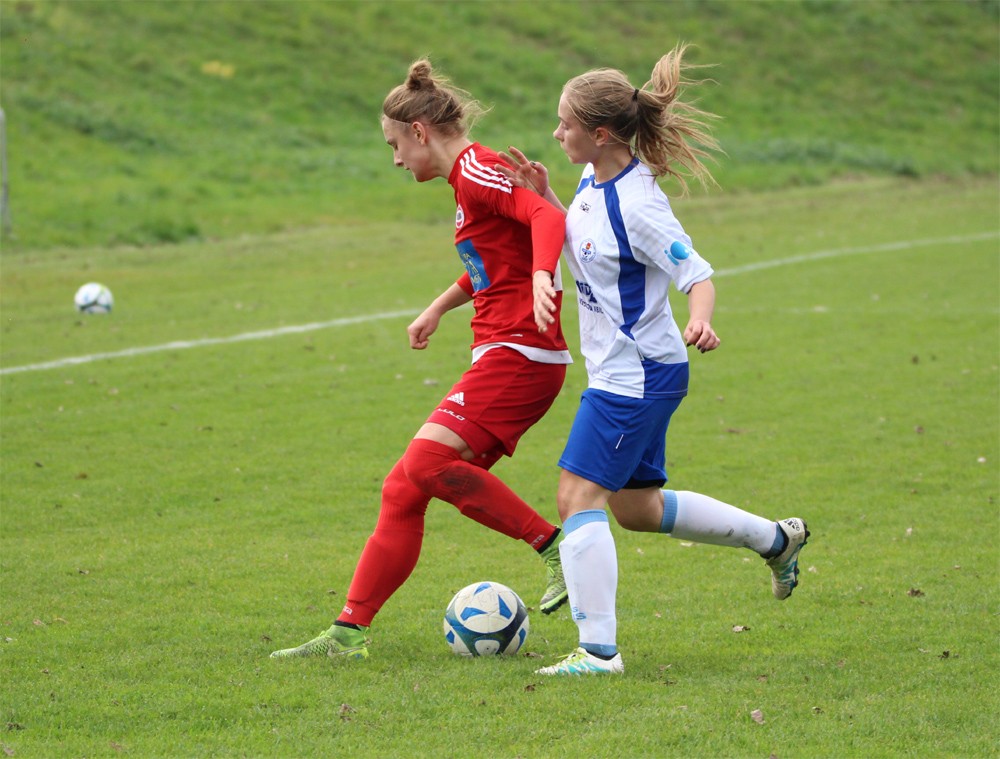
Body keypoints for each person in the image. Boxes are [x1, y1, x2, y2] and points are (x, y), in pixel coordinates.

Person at [497, 45, 809, 676]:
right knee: (636, 509)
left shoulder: (640, 205)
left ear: (601, 134)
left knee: (576, 495)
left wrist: (701, 318)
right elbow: (586, 243)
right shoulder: (594, 179)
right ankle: (775, 539)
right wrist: (546, 194)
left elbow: (697, 274)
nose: (556, 133)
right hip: (632, 370)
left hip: (636, 375)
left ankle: (598, 652)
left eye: (565, 124)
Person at [271, 59, 574, 661]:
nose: (395, 160)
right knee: (402, 488)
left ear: (419, 132)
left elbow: (546, 216)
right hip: (507, 352)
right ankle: (348, 634)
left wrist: (544, 274)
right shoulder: (467, 181)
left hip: (520, 355)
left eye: (394, 145)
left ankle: (553, 547)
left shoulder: (476, 170)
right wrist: (438, 307)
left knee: (428, 463)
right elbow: (494, 262)